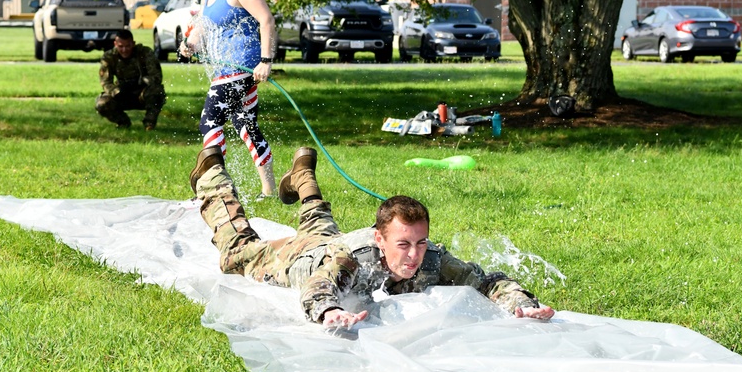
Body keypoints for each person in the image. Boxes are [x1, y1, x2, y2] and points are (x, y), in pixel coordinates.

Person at [190, 145, 556, 329]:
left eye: (420, 242)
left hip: (333, 241)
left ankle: (302, 176)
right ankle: (210, 177)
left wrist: (519, 303)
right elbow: (318, 288)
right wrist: (330, 311)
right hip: (307, 259)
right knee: (239, 253)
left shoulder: (430, 258)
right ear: (380, 240)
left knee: (320, 223)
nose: (414, 255)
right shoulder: (350, 261)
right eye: (403, 245)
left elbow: (488, 281)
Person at [181, 0, 278, 198]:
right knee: (245, 124)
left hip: (242, 67)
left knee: (209, 122)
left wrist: (266, 61)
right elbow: (203, 27)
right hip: (225, 70)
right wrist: (189, 45)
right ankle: (269, 191)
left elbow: (266, 19)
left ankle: (219, 190)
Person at [95, 30, 167, 130]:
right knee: (102, 103)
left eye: (128, 46)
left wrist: (141, 81)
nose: (124, 50)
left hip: (142, 93)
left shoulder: (145, 53)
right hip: (121, 93)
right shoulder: (109, 57)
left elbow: (156, 77)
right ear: (115, 44)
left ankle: (149, 124)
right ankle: (123, 122)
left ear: (133, 43)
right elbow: (106, 82)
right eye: (120, 46)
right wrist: (116, 91)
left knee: (157, 92)